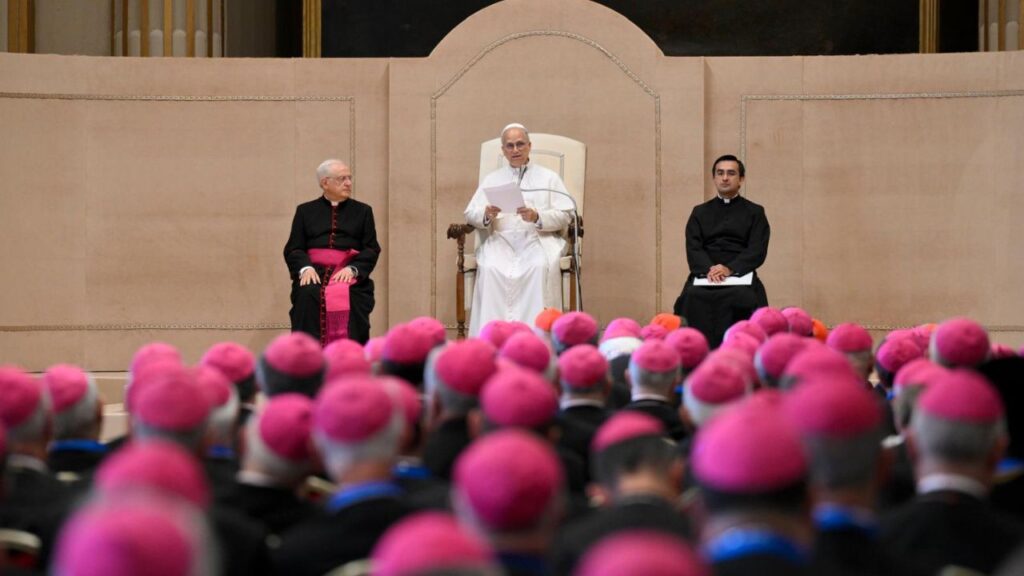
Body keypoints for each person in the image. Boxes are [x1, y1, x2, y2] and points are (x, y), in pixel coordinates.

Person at [464, 123, 574, 337]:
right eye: (510, 146)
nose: (515, 150)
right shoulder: (492, 179)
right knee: (491, 267)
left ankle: (534, 339)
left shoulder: (548, 178)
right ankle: (492, 340)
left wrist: (537, 216)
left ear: (529, 146)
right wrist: (487, 214)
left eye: (520, 144)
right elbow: (470, 213)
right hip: (501, 241)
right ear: (503, 150)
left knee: (537, 267)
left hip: (536, 240)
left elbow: (565, 215)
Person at [673, 155, 770, 349]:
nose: (725, 178)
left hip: (740, 274)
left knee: (746, 298)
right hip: (705, 274)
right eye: (720, 173)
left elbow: (757, 249)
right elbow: (693, 247)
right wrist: (710, 269)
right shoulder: (699, 212)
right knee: (690, 297)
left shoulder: (755, 212)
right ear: (714, 178)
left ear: (741, 179)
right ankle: (694, 350)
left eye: (731, 173)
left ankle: (742, 349)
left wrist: (730, 269)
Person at [284, 159, 380, 345]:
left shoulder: (363, 211)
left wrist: (353, 269)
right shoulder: (305, 211)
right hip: (314, 272)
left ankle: (348, 359)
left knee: (351, 296)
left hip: (347, 272)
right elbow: (294, 247)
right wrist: (305, 268)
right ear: (324, 183)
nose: (348, 183)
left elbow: (371, 248)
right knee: (308, 293)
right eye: (342, 179)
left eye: (349, 178)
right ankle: (307, 360)